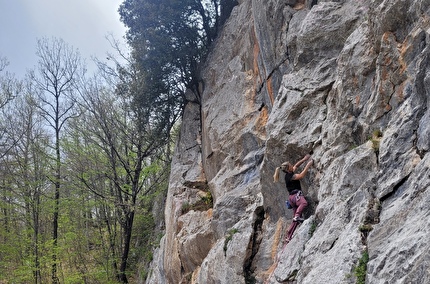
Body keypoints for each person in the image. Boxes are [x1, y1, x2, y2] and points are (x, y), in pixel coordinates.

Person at [273, 154, 313, 222]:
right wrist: (308, 165)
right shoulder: (291, 177)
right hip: (295, 196)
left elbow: (296, 166)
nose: (292, 165)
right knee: (304, 203)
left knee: (295, 221)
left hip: (292, 198)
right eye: (290, 165)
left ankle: (291, 231)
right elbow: (301, 175)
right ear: (288, 169)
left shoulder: (289, 173)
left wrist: (304, 159)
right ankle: (297, 216)